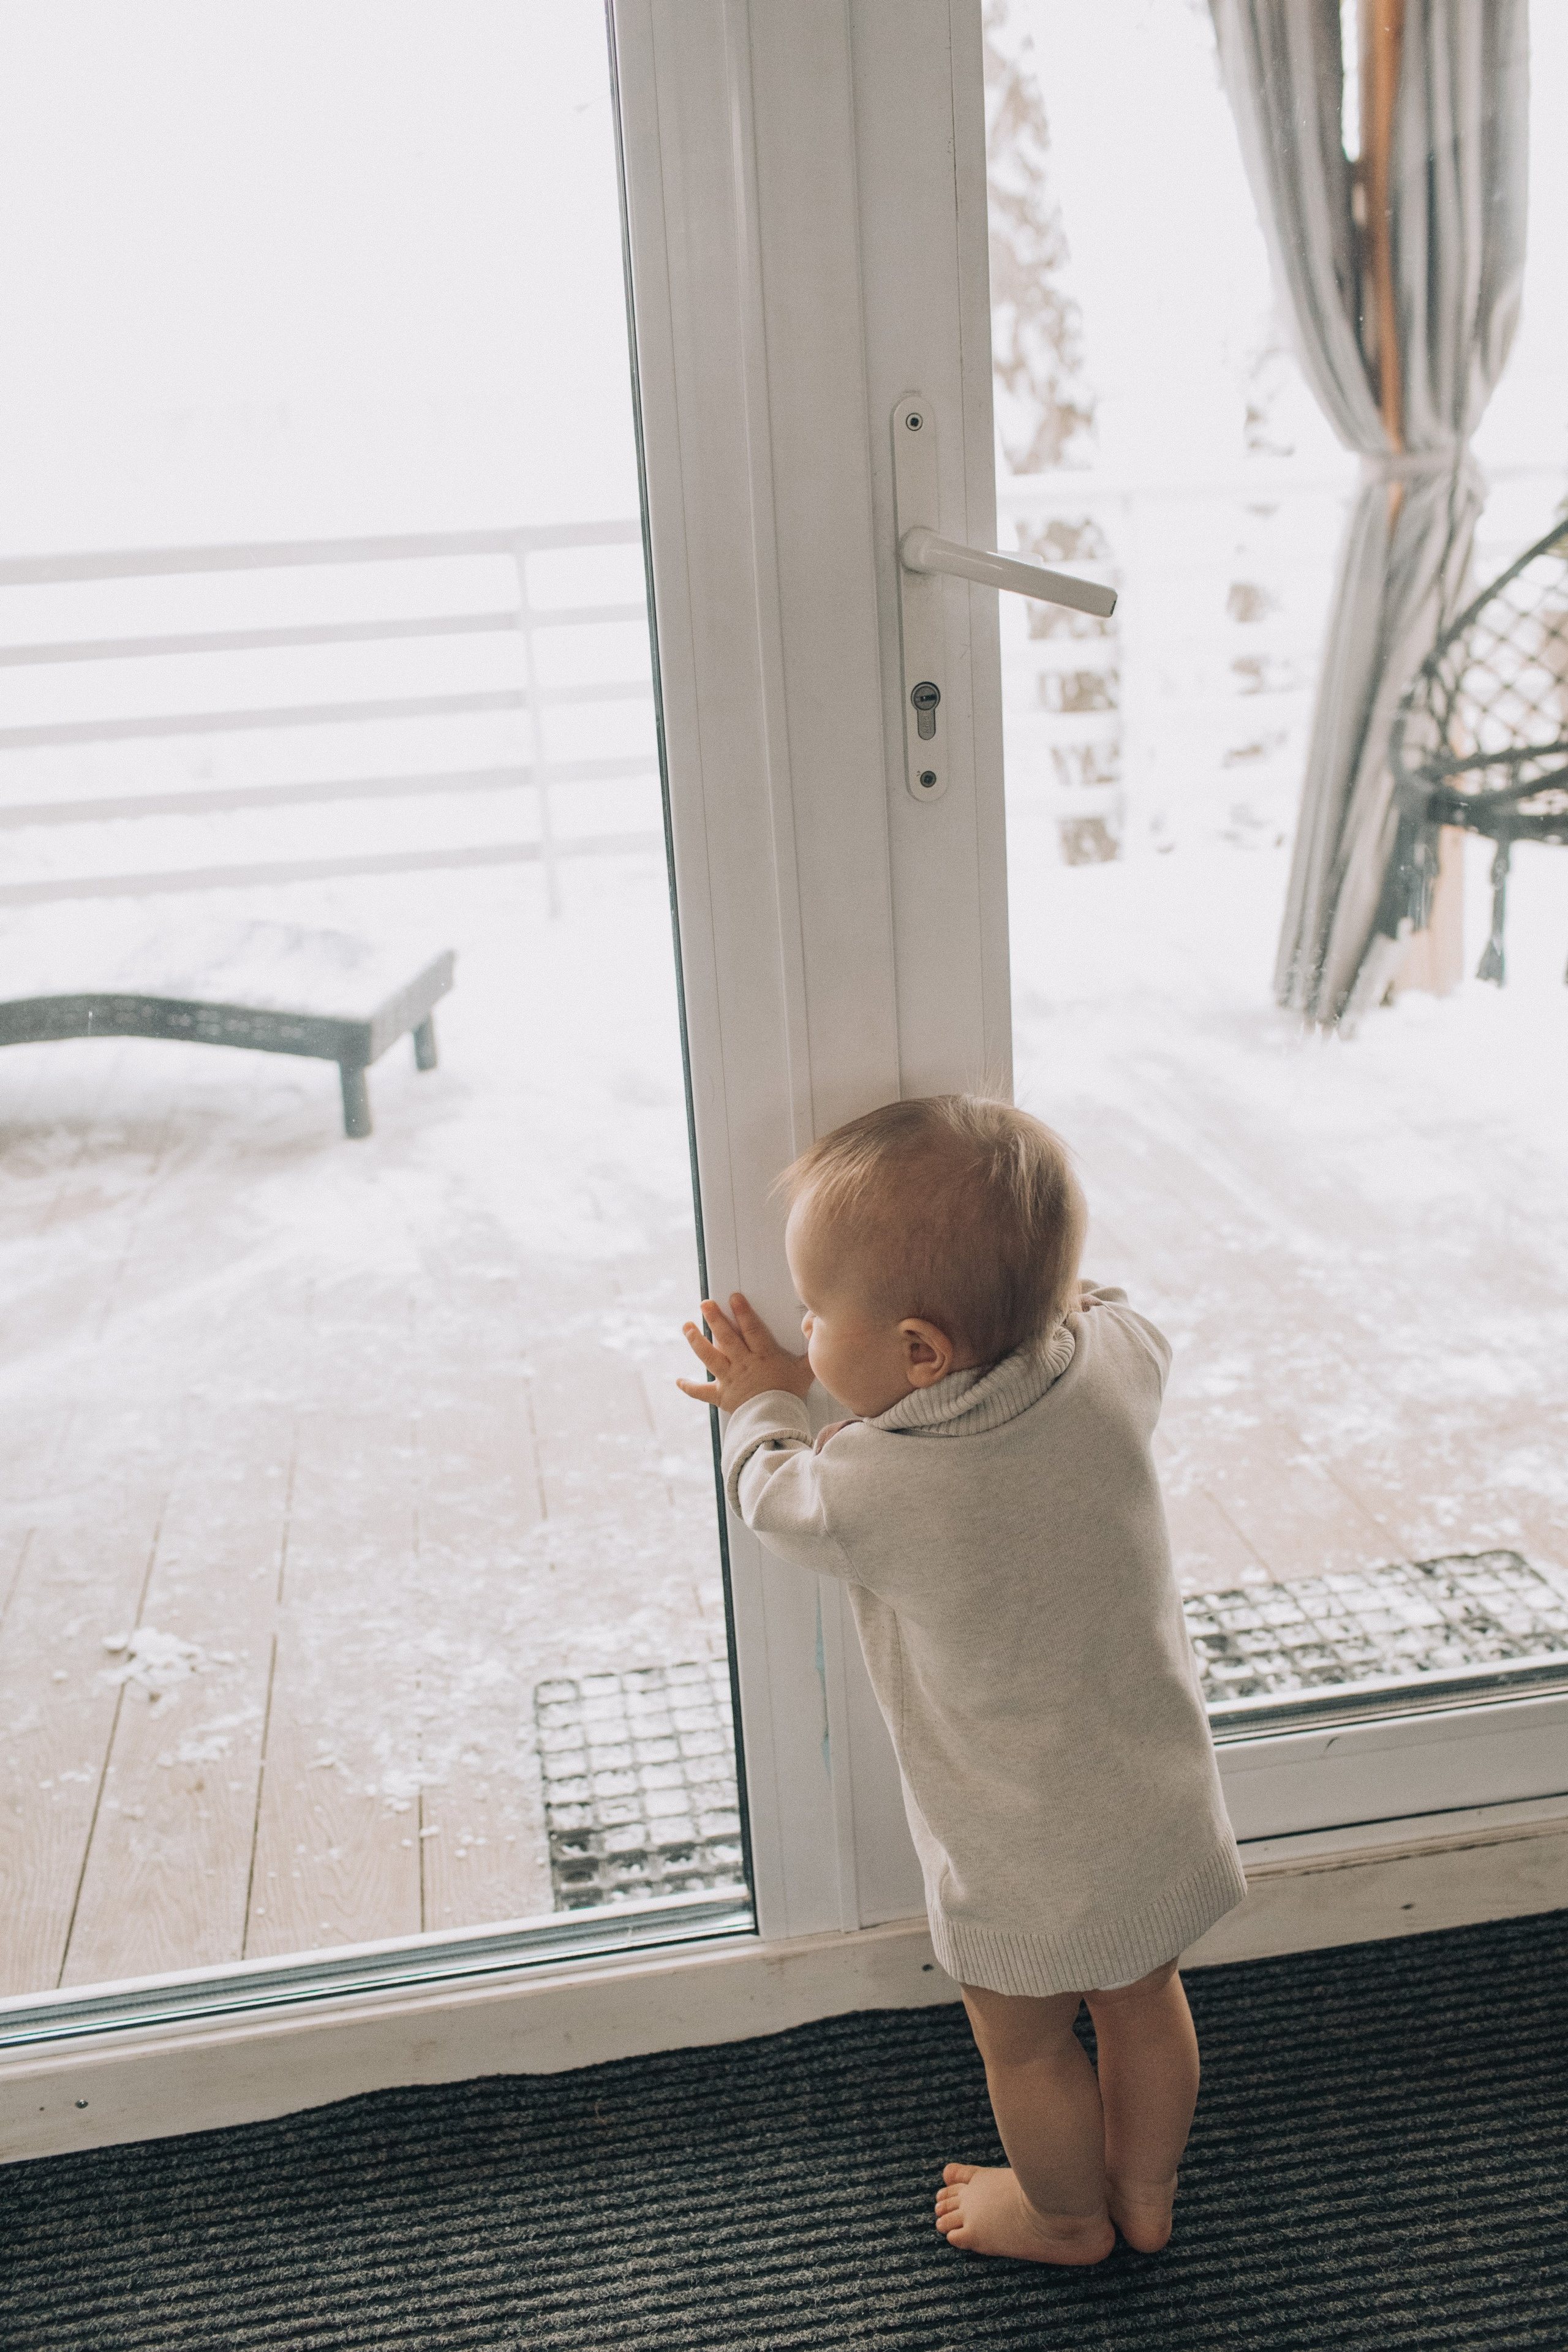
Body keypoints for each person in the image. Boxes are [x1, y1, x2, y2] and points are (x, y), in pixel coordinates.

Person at [676, 1093, 1245, 2266]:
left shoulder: (880, 1485)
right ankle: (1147, 2191)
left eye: (814, 1314)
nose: (801, 1327)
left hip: (1017, 1855)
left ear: (920, 1353)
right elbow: (1120, 1311)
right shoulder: (1112, 1374)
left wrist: (765, 1400)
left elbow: (772, 1495)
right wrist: (1042, 1290)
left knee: (1029, 2047)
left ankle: (1066, 2217)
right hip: (1157, 1807)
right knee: (1146, 2005)